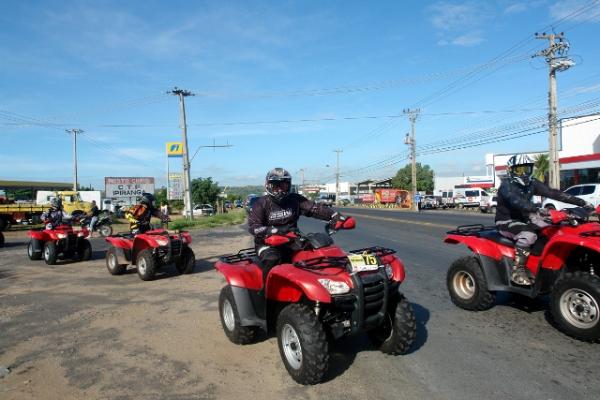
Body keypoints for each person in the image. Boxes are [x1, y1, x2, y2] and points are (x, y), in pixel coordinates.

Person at [495, 154, 593, 285]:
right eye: (519, 170)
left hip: (526, 218)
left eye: (527, 169)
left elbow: (553, 193)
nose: (524, 173)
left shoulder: (532, 182)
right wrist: (544, 211)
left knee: (554, 227)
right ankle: (518, 270)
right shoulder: (506, 186)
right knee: (529, 236)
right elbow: (518, 202)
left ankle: (543, 264)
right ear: (511, 171)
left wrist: (583, 202)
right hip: (507, 221)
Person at [248, 168, 349, 294]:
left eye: (283, 186)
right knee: (272, 259)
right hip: (266, 243)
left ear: (289, 186)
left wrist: (334, 216)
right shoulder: (261, 203)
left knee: (316, 253)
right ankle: (266, 293)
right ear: (268, 185)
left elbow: (314, 208)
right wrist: (271, 231)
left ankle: (323, 287)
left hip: (292, 239)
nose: (280, 190)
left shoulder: (294, 199)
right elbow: (253, 226)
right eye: (276, 186)